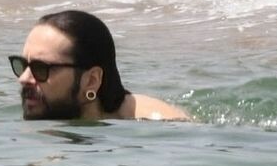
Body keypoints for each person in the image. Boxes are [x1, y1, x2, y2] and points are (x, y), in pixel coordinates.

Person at [13, 10, 187, 121]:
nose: (23, 79)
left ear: (91, 81)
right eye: (23, 65)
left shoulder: (160, 125)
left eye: (41, 68)